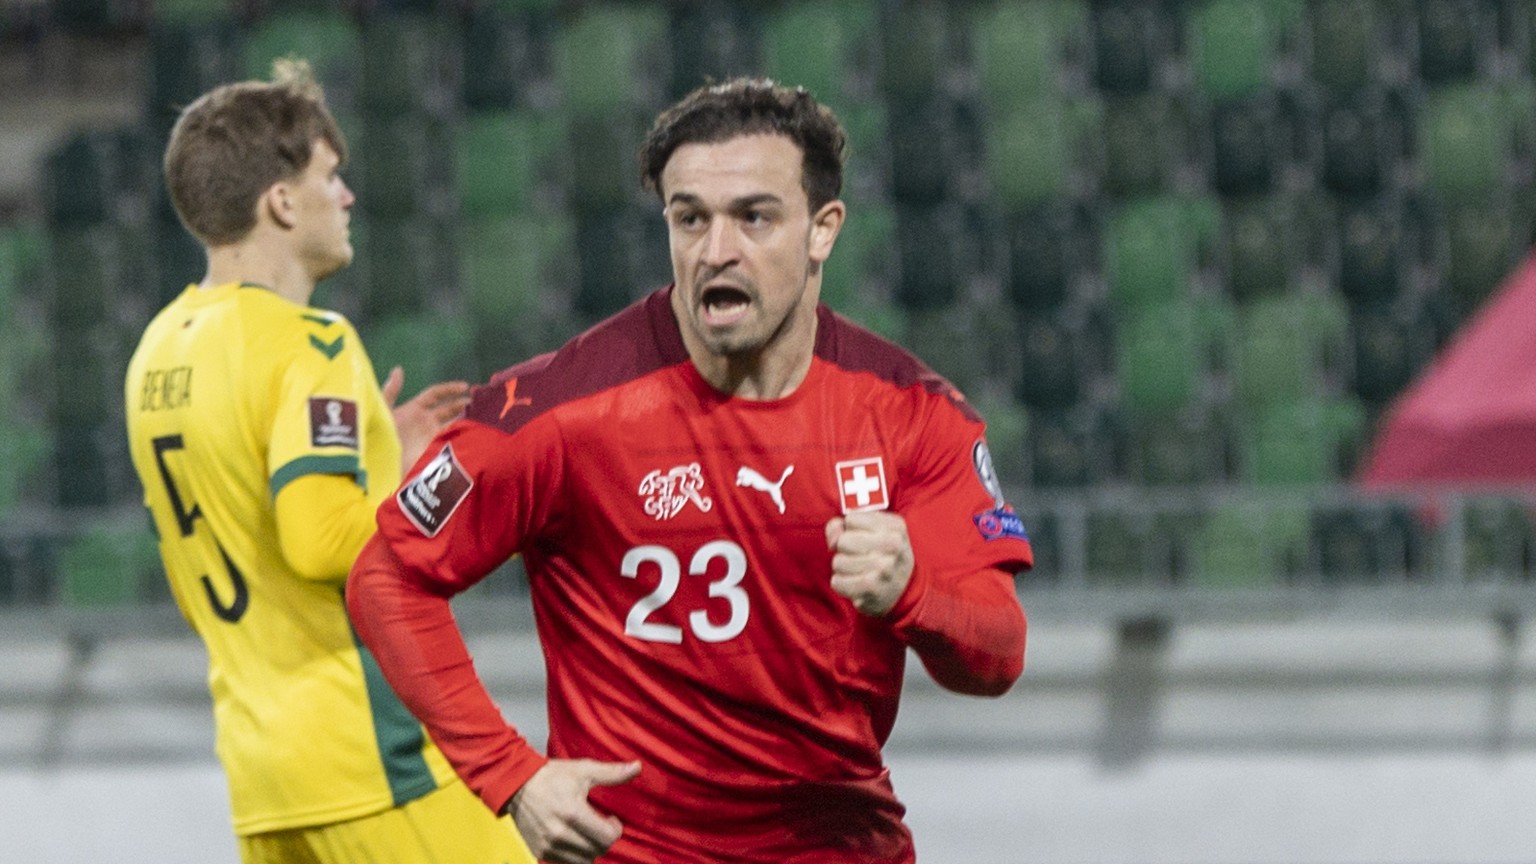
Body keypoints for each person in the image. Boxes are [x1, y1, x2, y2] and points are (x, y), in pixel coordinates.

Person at [347, 77, 1030, 864]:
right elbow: (386, 576)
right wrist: (510, 775)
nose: (715, 252)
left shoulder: (914, 415)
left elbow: (999, 653)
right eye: (690, 218)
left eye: (754, 217)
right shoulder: (558, 411)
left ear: (823, 230)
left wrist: (914, 594)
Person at [123, 59, 533, 864]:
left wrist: (376, 456)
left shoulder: (157, 351)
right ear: (281, 201)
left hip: (262, 765)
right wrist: (451, 482)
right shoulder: (311, 343)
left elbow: (237, 522)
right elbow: (319, 541)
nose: (345, 197)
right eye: (330, 176)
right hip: (370, 750)